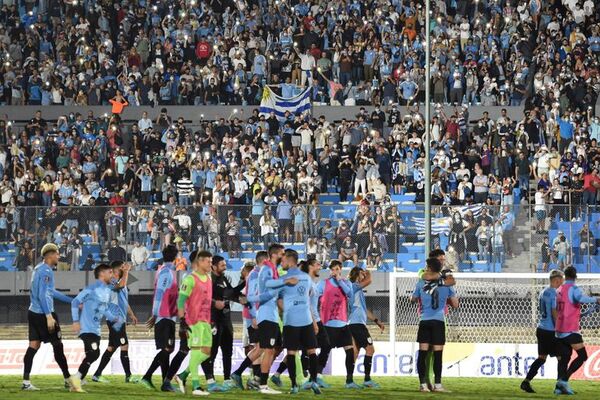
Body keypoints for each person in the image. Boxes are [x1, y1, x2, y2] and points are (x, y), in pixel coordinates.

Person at [22, 243, 83, 392]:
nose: (59, 256)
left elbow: (50, 292)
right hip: (44, 313)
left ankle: (26, 382)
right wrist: (49, 316)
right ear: (49, 255)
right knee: (58, 346)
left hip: (33, 313)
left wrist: (72, 301)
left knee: (33, 346)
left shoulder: (39, 269)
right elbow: (43, 295)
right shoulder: (46, 271)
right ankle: (68, 379)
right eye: (56, 254)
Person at [277, 249, 322, 394]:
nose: (281, 262)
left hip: (293, 322)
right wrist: (313, 322)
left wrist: (288, 310)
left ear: (290, 261)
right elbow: (307, 300)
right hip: (305, 321)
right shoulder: (305, 278)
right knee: (310, 351)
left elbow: (279, 300)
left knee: (293, 352)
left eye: (283, 260)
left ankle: (295, 385)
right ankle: (313, 382)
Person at [71, 264, 124, 384]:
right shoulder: (92, 289)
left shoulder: (106, 290)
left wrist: (113, 318)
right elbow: (75, 302)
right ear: (102, 274)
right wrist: (75, 321)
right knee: (94, 353)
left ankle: (80, 377)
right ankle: (77, 378)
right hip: (86, 328)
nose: (112, 274)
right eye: (109, 272)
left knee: (93, 354)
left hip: (96, 329)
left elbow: (103, 308)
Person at [411, 257, 459, 393]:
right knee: (438, 355)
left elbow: (413, 299)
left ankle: (423, 385)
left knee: (423, 353)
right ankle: (438, 385)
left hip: (424, 320)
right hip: (439, 321)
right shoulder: (447, 284)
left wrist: (417, 297)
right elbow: (455, 304)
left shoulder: (421, 283)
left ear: (430, 268)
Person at [200, 255, 246, 391]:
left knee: (228, 351)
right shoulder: (210, 280)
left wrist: (243, 301)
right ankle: (211, 381)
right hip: (214, 320)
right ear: (213, 266)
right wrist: (245, 282)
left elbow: (231, 294)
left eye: (225, 265)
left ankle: (226, 379)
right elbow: (222, 294)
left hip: (226, 320)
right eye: (222, 265)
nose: (225, 267)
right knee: (212, 352)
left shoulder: (223, 278)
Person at [172, 250, 214, 396]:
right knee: (196, 350)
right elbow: (181, 301)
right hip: (193, 321)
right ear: (200, 262)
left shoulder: (209, 279)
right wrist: (182, 320)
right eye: (208, 261)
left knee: (207, 352)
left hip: (206, 321)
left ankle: (182, 376)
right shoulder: (190, 279)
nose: (210, 264)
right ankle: (196, 386)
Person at [553, 266, 600, 395]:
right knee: (583, 356)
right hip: (570, 330)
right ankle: (563, 381)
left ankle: (558, 387)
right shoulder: (573, 289)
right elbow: (580, 299)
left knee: (564, 359)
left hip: (559, 330)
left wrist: (588, 311)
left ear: (564, 276)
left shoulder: (559, 290)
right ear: (576, 277)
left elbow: (571, 310)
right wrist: (596, 299)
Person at [316, 260, 360, 389]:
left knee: (350, 351)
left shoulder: (346, 283)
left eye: (336, 269)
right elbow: (314, 299)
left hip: (342, 324)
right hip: (328, 324)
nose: (334, 272)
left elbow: (350, 294)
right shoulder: (323, 284)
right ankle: (317, 376)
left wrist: (340, 280)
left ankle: (349, 381)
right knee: (325, 351)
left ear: (340, 270)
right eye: (332, 269)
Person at [140, 245, 179, 390]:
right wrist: (155, 313)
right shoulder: (166, 272)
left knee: (166, 350)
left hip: (168, 315)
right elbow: (159, 294)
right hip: (164, 316)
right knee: (167, 349)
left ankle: (165, 383)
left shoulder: (164, 271)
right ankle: (147, 376)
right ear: (175, 257)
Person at [92, 261, 138, 383]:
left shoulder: (120, 283)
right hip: (115, 320)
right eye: (123, 267)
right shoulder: (111, 282)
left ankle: (97, 374)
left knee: (111, 348)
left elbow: (124, 302)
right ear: (117, 270)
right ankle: (129, 376)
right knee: (124, 345)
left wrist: (132, 314)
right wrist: (127, 272)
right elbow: (121, 286)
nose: (125, 268)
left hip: (119, 319)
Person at [250, 243, 288, 394]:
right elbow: (268, 291)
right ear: (274, 254)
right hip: (266, 314)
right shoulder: (266, 269)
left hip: (272, 315)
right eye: (282, 253)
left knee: (276, 348)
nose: (283, 256)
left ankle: (259, 379)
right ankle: (262, 384)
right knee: (268, 350)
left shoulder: (273, 270)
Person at [520, 269, 564, 393]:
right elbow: (554, 311)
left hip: (541, 329)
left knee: (541, 358)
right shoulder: (554, 293)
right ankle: (560, 387)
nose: (563, 281)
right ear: (557, 280)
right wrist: (559, 328)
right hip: (551, 330)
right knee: (561, 358)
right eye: (562, 279)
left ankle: (526, 382)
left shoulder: (543, 292)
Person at [231, 252, 268, 390]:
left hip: (255, 316)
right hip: (253, 317)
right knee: (260, 348)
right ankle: (243, 375)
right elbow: (249, 297)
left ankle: (254, 379)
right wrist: (253, 316)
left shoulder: (256, 275)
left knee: (260, 348)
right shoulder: (254, 275)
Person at [348, 267, 385, 388]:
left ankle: (349, 381)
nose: (364, 276)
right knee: (370, 349)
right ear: (357, 275)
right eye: (361, 274)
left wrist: (376, 321)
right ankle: (367, 380)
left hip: (353, 324)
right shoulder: (353, 286)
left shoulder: (356, 290)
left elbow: (364, 310)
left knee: (354, 353)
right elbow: (369, 280)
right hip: (357, 324)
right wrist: (368, 272)